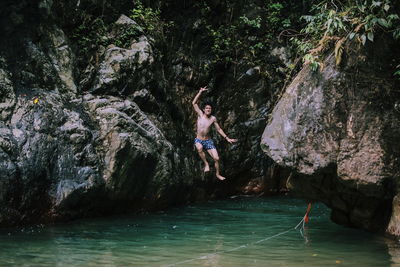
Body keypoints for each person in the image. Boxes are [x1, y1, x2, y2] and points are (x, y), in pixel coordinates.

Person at [192, 86, 237, 180]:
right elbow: (194, 103)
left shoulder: (213, 119)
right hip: (199, 139)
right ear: (204, 109)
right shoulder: (200, 115)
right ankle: (206, 164)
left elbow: (219, 129)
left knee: (216, 158)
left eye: (210, 108)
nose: (208, 109)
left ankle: (217, 174)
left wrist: (227, 138)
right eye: (207, 108)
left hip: (208, 141)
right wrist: (200, 92)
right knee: (199, 148)